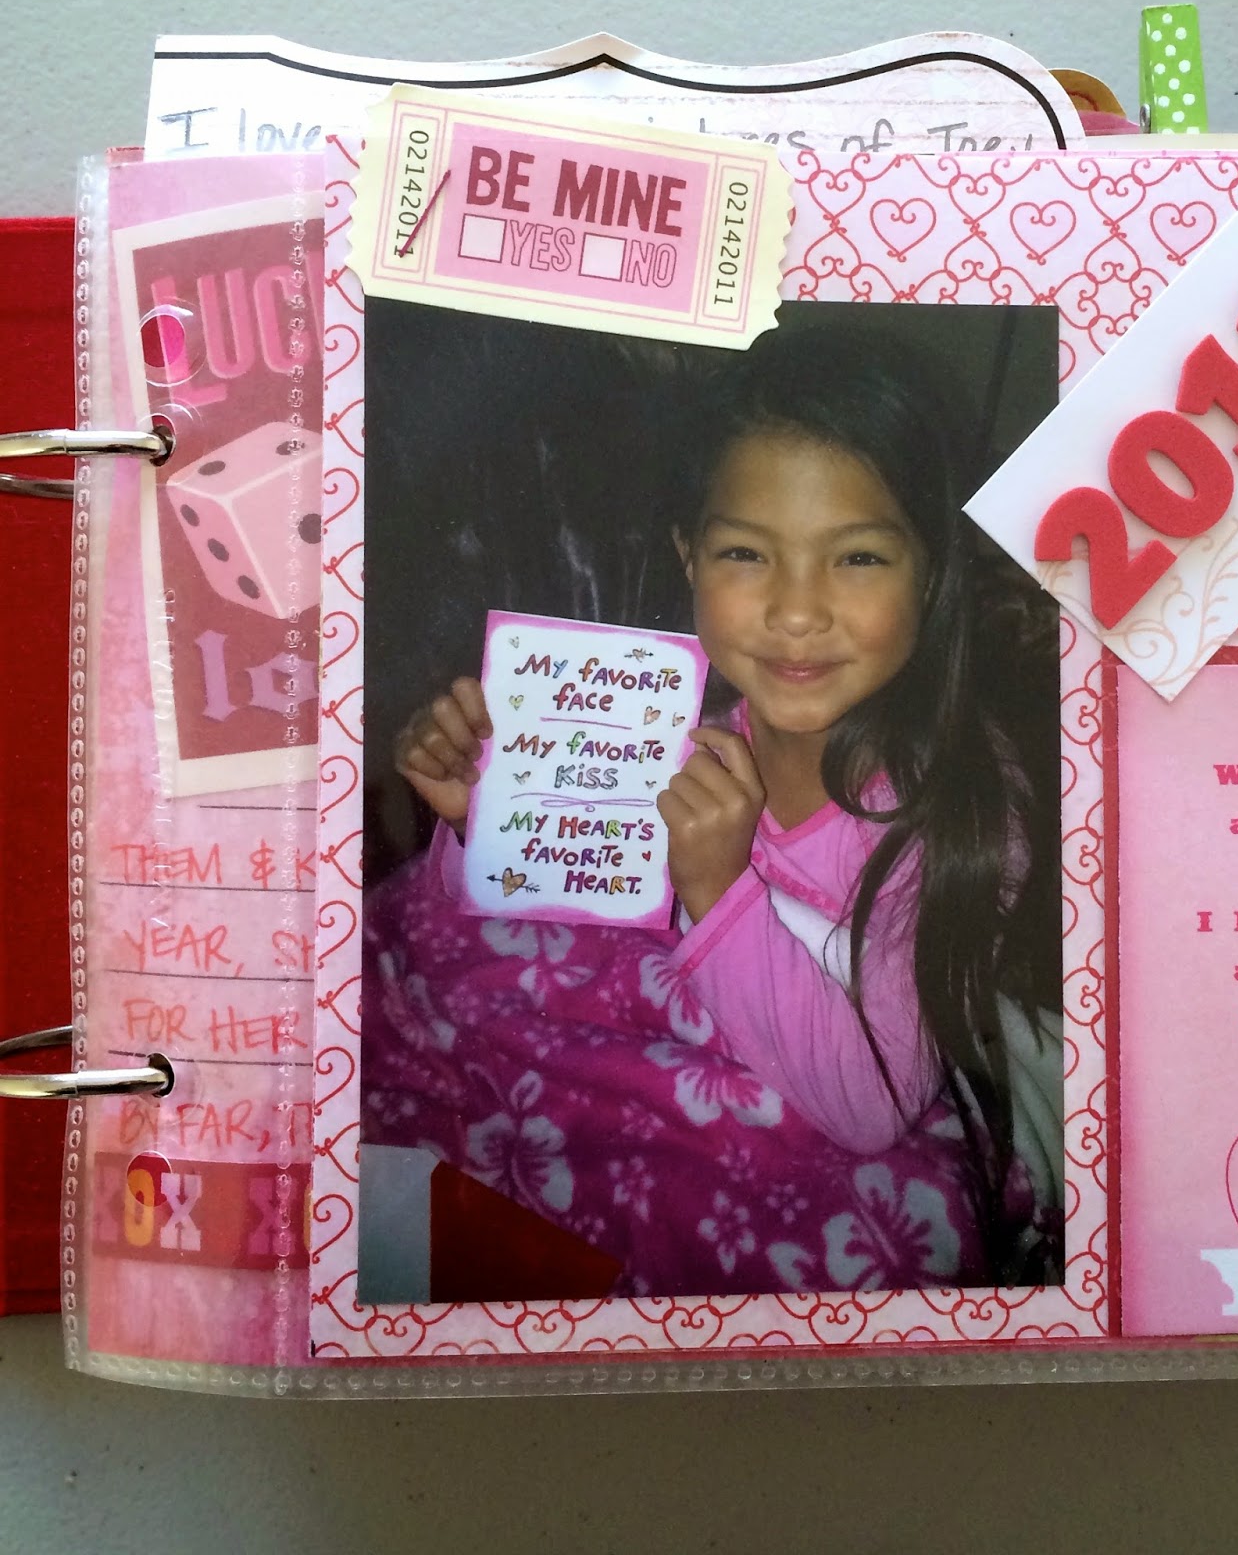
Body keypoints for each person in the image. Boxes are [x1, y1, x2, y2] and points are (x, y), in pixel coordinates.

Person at [382, 318, 1061, 1289]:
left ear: (932, 573)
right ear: (690, 559)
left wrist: (720, 886)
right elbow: (562, 908)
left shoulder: (962, 809)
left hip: (819, 1112)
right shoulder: (677, 723)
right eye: (746, 553)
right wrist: (481, 813)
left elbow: (866, 1105)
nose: (796, 610)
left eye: (859, 558)